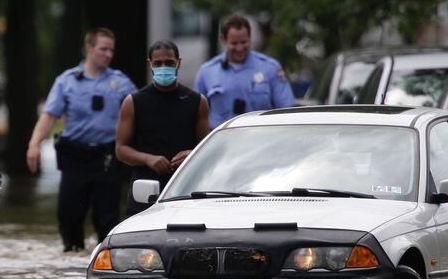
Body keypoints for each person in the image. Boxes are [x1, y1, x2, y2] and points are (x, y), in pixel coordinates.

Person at [27, 27, 137, 251]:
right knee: (69, 215)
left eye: (111, 50)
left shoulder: (120, 81)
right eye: (103, 49)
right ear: (89, 47)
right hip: (75, 157)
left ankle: (106, 262)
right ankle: (72, 254)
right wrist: (34, 144)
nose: (108, 54)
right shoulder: (67, 81)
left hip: (107, 157)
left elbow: (140, 112)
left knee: (107, 218)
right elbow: (49, 116)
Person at [115, 40, 210, 213]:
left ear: (178, 63)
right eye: (158, 64)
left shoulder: (197, 101)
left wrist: (191, 155)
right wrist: (147, 159)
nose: (163, 68)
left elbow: (208, 148)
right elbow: (121, 150)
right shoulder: (134, 102)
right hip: (144, 188)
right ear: (150, 64)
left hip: (185, 187)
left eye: (169, 63)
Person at [193, 13, 296, 128]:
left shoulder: (270, 68)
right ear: (223, 40)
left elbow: (287, 112)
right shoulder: (207, 72)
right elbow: (196, 116)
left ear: (250, 38)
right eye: (234, 43)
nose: (239, 48)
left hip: (262, 140)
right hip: (222, 142)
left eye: (243, 42)